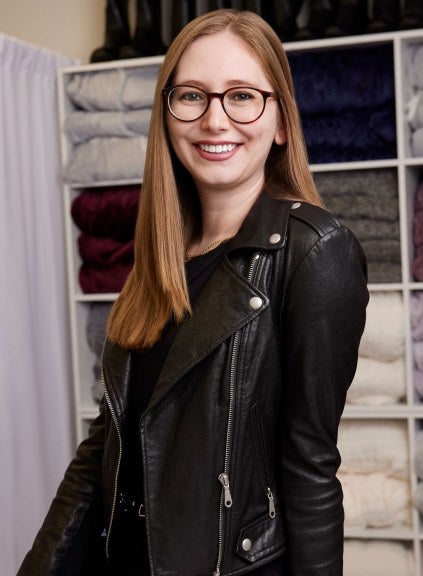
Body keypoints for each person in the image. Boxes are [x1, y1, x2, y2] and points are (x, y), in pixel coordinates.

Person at [18, 8, 368, 576]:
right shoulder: (158, 256)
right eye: (192, 96)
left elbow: (311, 466)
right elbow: (107, 443)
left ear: (280, 121)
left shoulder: (316, 251)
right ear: (167, 113)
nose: (215, 119)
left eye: (242, 96)